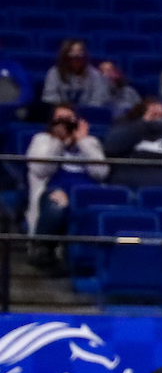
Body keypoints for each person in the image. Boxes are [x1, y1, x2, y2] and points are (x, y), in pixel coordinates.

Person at [26, 105, 108, 263]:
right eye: (59, 119)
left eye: (69, 119)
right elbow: (40, 169)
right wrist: (58, 142)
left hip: (87, 194)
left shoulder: (90, 142)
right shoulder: (43, 140)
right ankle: (43, 250)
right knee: (56, 205)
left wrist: (83, 142)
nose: (64, 123)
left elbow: (101, 172)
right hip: (54, 191)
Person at [103, 97, 162, 189]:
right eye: (153, 114)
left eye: (160, 115)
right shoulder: (125, 129)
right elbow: (111, 149)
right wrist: (144, 124)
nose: (157, 118)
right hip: (128, 179)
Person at [42, 40, 109, 109]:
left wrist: (84, 110)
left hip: (88, 112)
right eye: (73, 58)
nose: (76, 61)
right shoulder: (54, 73)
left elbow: (98, 99)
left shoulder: (94, 74)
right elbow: (50, 97)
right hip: (61, 111)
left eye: (79, 58)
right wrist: (65, 109)